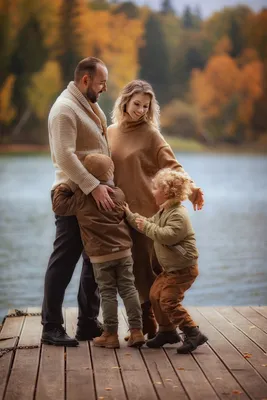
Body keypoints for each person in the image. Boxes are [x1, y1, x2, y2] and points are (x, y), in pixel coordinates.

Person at [107, 80, 204, 340]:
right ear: (125, 101)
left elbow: (173, 165)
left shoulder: (151, 134)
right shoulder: (110, 132)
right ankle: (147, 324)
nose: (140, 110)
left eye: (145, 106)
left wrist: (192, 188)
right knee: (131, 272)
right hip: (120, 215)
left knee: (151, 270)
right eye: (136, 104)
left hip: (149, 216)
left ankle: (166, 327)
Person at [41, 57, 114, 347]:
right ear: (85, 80)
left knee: (94, 260)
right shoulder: (64, 110)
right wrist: (94, 186)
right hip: (73, 195)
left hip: (93, 195)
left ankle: (86, 323)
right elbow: (64, 156)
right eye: (101, 83)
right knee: (63, 261)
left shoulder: (87, 105)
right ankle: (51, 327)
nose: (104, 88)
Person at [52, 153, 145, 349]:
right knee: (129, 289)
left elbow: (58, 207)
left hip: (101, 256)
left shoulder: (81, 198)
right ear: (110, 172)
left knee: (108, 292)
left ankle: (110, 334)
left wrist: (68, 184)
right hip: (123, 252)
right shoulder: (118, 193)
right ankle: (136, 331)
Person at [125, 168, 208, 353]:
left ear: (167, 192)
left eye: (155, 188)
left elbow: (167, 236)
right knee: (155, 295)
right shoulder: (164, 211)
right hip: (170, 270)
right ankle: (167, 331)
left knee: (169, 301)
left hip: (183, 269)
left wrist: (146, 226)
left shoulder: (178, 214)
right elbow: (147, 223)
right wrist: (129, 214)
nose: (152, 191)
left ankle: (193, 333)